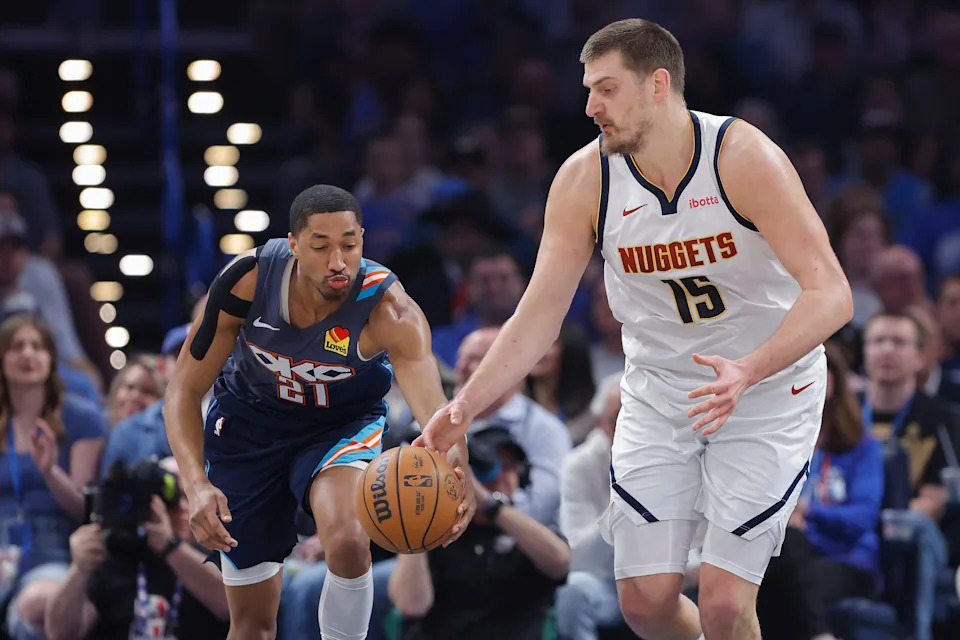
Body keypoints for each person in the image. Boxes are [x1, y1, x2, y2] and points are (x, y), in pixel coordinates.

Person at [419, 19, 853, 640]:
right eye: (587, 89)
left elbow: (833, 295)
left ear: (657, 85)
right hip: (658, 392)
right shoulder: (583, 179)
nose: (590, 106)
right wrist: (462, 409)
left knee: (728, 604)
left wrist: (749, 368)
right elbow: (538, 314)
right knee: (646, 606)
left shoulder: (742, 156)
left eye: (606, 89)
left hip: (764, 385)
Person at [164, 184, 475, 640]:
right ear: (293, 246)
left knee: (348, 538)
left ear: (362, 241)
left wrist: (457, 461)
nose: (338, 261)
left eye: (349, 245)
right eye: (321, 246)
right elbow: (182, 391)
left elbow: (433, 406)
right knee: (252, 625)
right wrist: (195, 485)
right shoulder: (247, 281)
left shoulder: (388, 308)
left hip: (338, 427)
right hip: (249, 429)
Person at [388, 426, 569, 639]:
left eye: (510, 467)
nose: (502, 477)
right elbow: (411, 605)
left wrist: (488, 503)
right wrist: (420, 520)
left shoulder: (529, 533)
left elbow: (560, 561)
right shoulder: (440, 534)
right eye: (492, 468)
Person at [757, 343, 884, 640]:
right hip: (787, 552)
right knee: (774, 566)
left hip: (847, 559)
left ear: (836, 380)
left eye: (817, 369)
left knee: (782, 586)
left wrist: (808, 511)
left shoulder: (861, 448)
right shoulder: (777, 442)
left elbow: (864, 517)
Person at [43, 457, 230, 640]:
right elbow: (60, 633)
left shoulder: (210, 554)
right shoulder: (109, 560)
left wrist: (170, 546)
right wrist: (79, 570)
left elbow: (228, 607)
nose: (181, 507)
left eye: (187, 498)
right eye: (172, 500)